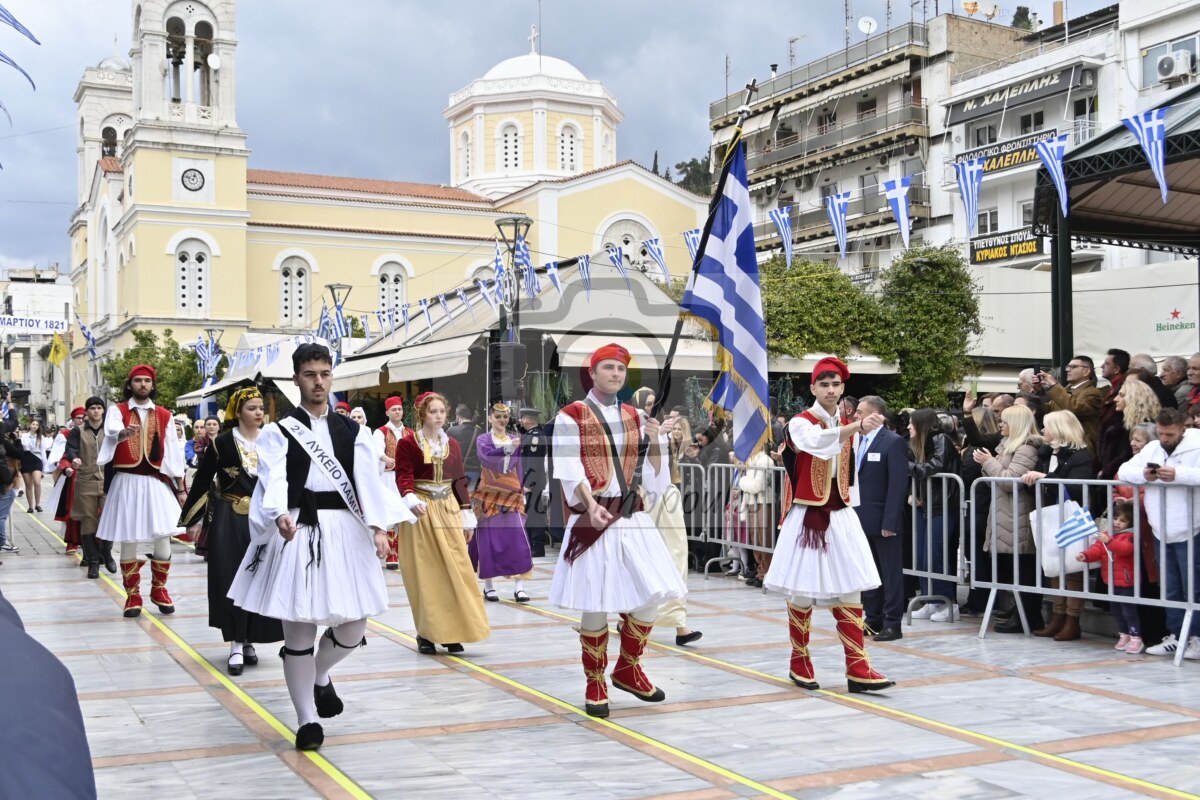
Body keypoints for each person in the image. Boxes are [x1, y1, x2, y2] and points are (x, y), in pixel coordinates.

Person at [227, 343, 410, 750]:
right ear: (296, 379)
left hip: (345, 530)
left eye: (325, 374)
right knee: (299, 629)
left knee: (354, 626)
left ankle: (319, 674)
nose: (318, 382)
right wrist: (278, 513)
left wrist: (378, 528)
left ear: (331, 377)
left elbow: (367, 482)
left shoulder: (354, 432)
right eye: (310, 374)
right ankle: (307, 719)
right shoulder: (278, 431)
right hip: (298, 528)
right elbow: (273, 478)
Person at [550, 343, 686, 717]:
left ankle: (628, 667)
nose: (615, 373)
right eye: (608, 367)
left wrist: (655, 438)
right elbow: (568, 467)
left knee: (652, 592)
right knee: (596, 602)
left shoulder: (635, 416)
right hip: (593, 516)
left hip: (630, 515)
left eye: (621, 369)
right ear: (592, 373)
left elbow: (656, 476)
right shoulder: (570, 416)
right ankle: (595, 680)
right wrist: (589, 503)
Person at [764, 356, 894, 693]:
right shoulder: (800, 422)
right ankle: (799, 660)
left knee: (851, 587)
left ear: (843, 387)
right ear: (813, 388)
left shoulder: (849, 424)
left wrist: (853, 506)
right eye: (824, 385)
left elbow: (849, 473)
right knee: (802, 589)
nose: (831, 390)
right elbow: (819, 444)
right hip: (808, 514)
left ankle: (858, 666)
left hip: (841, 513)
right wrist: (855, 427)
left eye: (836, 384)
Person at [180, 387, 284, 676]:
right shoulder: (222, 443)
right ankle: (236, 643)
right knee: (231, 576)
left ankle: (249, 638)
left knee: (261, 577)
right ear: (237, 412)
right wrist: (194, 519)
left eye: (261, 407)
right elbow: (203, 480)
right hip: (230, 516)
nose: (259, 412)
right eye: (252, 408)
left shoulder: (273, 440)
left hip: (264, 518)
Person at [394, 392, 490, 655]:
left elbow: (459, 481)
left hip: (448, 510)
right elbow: (403, 476)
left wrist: (467, 516)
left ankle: (452, 632)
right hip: (422, 512)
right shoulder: (408, 444)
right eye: (432, 411)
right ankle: (427, 633)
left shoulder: (453, 445)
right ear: (422, 414)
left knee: (456, 571)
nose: (438, 416)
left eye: (441, 411)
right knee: (427, 575)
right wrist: (410, 497)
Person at [96, 364, 187, 618]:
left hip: (155, 482)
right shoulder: (118, 410)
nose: (143, 384)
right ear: (130, 384)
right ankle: (133, 595)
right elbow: (112, 430)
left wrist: (180, 488)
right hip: (127, 481)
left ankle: (159, 589)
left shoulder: (165, 415)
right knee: (128, 537)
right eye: (138, 380)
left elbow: (173, 452)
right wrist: (122, 434)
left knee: (163, 535)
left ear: (152, 385)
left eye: (147, 380)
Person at [1117, 407, 1200, 659]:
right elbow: (1124, 470)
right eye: (1161, 433)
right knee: (1170, 587)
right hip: (1160, 527)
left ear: (1183, 430)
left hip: (1192, 525)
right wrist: (1144, 475)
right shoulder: (1152, 448)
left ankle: (1196, 637)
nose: (1165, 439)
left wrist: (1179, 475)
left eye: (1170, 434)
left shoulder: (1197, 445)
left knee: (1193, 586)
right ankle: (1176, 635)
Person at [1020, 410, 1097, 642]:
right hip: (1051, 515)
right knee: (1054, 568)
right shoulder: (1046, 453)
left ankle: (1072, 621)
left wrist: (1045, 478)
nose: (1043, 430)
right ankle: (1057, 617)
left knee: (1072, 570)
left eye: (1047, 426)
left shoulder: (1080, 456)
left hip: (1071, 518)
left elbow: (1076, 487)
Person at [975, 405, 1045, 633]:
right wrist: (989, 463)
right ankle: (1019, 613)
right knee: (1013, 569)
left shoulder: (1026, 449)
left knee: (1023, 570)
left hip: (1018, 514)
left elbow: (1010, 481)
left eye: (1005, 421)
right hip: (1005, 513)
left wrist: (988, 462)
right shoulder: (1007, 446)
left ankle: (1028, 616)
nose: (1000, 424)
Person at [853, 396, 909, 641]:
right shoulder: (857, 440)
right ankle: (873, 618)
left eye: (860, 412)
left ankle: (893, 623)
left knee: (890, 573)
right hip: (861, 517)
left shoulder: (893, 442)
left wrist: (890, 521)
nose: (856, 416)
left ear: (875, 415)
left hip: (884, 520)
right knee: (869, 571)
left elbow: (898, 484)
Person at [470, 402, 534, 603]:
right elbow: (487, 457)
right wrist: (507, 448)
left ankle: (519, 586)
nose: (502, 420)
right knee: (488, 538)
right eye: (497, 416)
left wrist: (521, 489)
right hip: (489, 492)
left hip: (512, 492)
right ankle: (489, 586)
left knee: (517, 538)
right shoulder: (483, 439)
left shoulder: (514, 438)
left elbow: (519, 466)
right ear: (490, 418)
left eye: (505, 417)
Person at [907, 408, 962, 622]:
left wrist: (907, 466)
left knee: (936, 555)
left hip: (943, 505)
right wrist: (913, 492)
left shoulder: (941, 439)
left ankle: (948, 603)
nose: (908, 427)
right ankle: (931, 600)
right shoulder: (918, 443)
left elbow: (933, 467)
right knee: (923, 556)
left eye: (911, 423)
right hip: (926, 505)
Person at [1077, 503, 1144, 654]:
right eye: (1115, 518)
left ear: (1130, 523)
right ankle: (1124, 635)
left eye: (1123, 520)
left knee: (1129, 612)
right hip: (1112, 581)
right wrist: (1085, 555)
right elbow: (1096, 549)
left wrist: (1109, 541)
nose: (1117, 522)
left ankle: (1136, 638)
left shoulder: (1131, 536)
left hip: (1127, 582)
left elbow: (1124, 549)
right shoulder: (1108, 534)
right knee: (1117, 611)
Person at [61, 399, 115, 579]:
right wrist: (74, 458)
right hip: (85, 480)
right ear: (87, 411)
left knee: (109, 518)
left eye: (99, 408)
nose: (96, 411)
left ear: (103, 410)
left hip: (108, 480)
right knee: (88, 521)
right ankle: (93, 562)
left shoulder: (111, 429)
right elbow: (70, 448)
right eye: (92, 408)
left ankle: (106, 551)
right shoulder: (78, 430)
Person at [373, 396, 412, 570]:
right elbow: (376, 449)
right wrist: (384, 458)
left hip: (406, 477)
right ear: (387, 412)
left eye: (399, 409)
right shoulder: (381, 432)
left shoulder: (409, 433)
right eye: (394, 409)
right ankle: (391, 553)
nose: (397, 412)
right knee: (390, 513)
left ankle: (403, 550)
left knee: (405, 513)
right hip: (388, 477)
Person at [1038, 356, 1103, 455]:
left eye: (1073, 367)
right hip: (1061, 445)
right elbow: (1048, 410)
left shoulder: (1093, 393)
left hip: (1079, 448)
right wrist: (1038, 392)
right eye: (1068, 367)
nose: (1067, 370)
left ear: (1086, 371)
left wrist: (1054, 385)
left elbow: (1074, 409)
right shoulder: (1064, 391)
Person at [47, 409, 85, 557]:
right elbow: (60, 457)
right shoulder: (66, 435)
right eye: (78, 418)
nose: (81, 420)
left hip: (93, 475)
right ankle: (72, 540)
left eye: (83, 417)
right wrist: (66, 467)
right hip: (71, 475)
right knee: (71, 509)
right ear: (73, 419)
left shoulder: (96, 433)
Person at [516, 407, 551, 557]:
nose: (520, 421)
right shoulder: (530, 435)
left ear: (528, 420)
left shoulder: (535, 437)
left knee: (535, 515)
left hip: (533, 483)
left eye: (522, 418)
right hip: (530, 481)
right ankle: (531, 545)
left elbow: (534, 463)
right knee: (530, 515)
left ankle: (537, 547)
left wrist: (529, 484)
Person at [1096, 348, 1131, 477]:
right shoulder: (1110, 390)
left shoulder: (1123, 388)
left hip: (1114, 460)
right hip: (1105, 455)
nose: (1102, 366)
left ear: (1116, 369)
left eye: (1106, 363)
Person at [447, 404, 481, 491]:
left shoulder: (451, 431)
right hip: (474, 472)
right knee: (470, 497)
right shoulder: (479, 432)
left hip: (457, 472)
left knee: (458, 497)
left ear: (458, 416)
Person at [19, 419, 47, 512]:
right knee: (28, 485)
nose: (35, 426)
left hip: (37, 459)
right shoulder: (23, 436)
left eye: (37, 425)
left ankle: (37, 504)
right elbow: (21, 447)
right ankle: (30, 506)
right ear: (30, 425)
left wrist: (44, 467)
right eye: (33, 424)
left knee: (37, 482)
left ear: (39, 427)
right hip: (26, 459)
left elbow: (43, 452)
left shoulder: (41, 437)